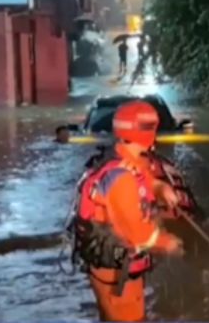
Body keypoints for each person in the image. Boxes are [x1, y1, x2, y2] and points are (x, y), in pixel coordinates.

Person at [72, 101, 184, 321]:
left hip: (108, 267)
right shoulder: (122, 180)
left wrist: (162, 189)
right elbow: (137, 234)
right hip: (115, 273)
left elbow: (144, 180)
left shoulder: (122, 159)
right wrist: (167, 243)